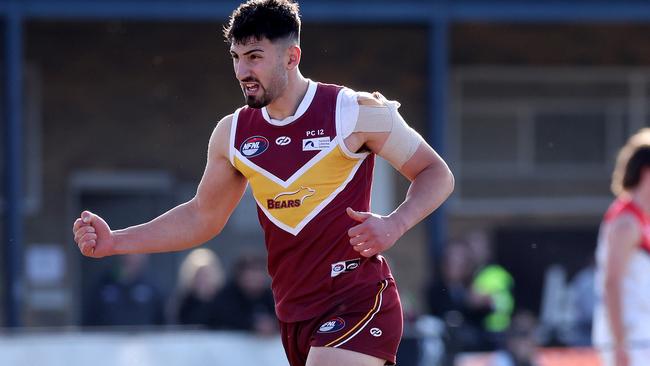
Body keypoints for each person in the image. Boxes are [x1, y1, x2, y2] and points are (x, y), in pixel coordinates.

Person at [71, 1, 454, 365]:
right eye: (236, 58)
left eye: (254, 57)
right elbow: (202, 217)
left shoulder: (355, 111)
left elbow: (436, 174)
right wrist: (115, 243)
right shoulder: (232, 134)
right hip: (293, 313)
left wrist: (395, 223)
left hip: (358, 300)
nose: (242, 72)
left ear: (292, 57)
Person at [593, 128, 650, 366]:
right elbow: (612, 281)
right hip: (630, 337)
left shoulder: (641, 218)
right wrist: (619, 343)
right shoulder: (626, 223)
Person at [83, 254, 165, 327]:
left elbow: (162, 324)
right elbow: (89, 320)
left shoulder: (152, 287)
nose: (133, 256)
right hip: (108, 341)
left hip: (144, 341)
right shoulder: (103, 285)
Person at [211, 253, 277, 335]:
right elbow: (225, 319)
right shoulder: (225, 296)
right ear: (239, 275)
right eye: (251, 272)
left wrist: (273, 324)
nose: (255, 277)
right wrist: (253, 325)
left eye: (259, 272)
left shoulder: (272, 296)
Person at [172, 247, 226, 327]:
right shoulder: (183, 302)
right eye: (199, 275)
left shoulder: (225, 301)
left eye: (206, 275)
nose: (203, 279)